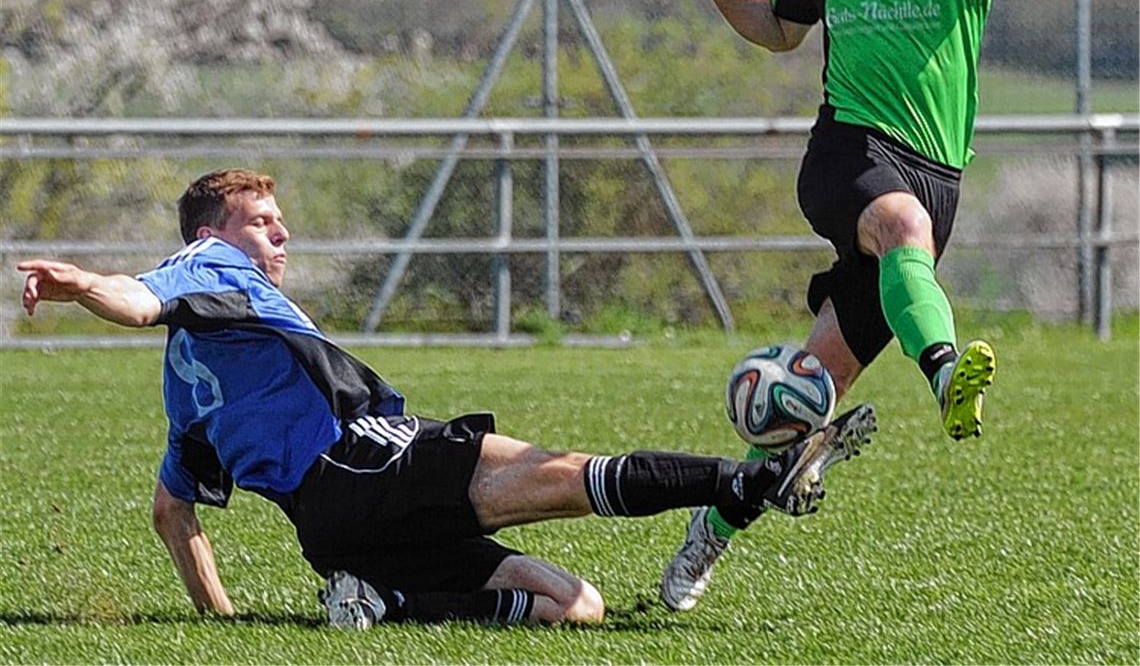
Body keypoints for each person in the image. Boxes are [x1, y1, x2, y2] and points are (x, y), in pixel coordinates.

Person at [18, 168, 877, 628]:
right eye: (262, 221)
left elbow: (175, 514)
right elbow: (138, 299)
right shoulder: (211, 268)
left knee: (575, 606)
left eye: (279, 222)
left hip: (335, 533)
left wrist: (223, 625)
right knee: (569, 475)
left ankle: (384, 598)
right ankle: (744, 481)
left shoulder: (190, 390)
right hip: (371, 461)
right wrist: (80, 285)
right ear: (213, 236)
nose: (279, 235)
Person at [660, 0, 1079, 612]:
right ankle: (948, 371)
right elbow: (780, 29)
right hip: (847, 156)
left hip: (936, 180)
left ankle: (707, 536)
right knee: (900, 226)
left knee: (805, 401)